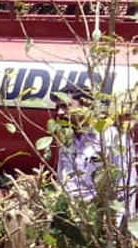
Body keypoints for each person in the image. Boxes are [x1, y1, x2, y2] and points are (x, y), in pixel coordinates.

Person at [53, 83, 135, 216]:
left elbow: (126, 184)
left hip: (102, 219)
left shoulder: (112, 137)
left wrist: (121, 227)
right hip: (74, 219)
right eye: (57, 107)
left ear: (86, 107)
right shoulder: (66, 141)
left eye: (66, 106)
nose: (59, 112)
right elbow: (62, 183)